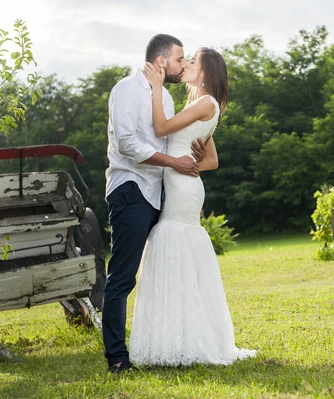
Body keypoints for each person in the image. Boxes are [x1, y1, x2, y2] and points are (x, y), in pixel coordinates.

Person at [128, 47, 256, 367]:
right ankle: (179, 336)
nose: (185, 65)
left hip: (183, 190)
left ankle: (184, 340)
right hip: (182, 184)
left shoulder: (205, 102)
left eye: (193, 61)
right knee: (175, 250)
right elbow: (211, 160)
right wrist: (192, 156)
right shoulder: (199, 104)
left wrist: (157, 85)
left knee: (174, 246)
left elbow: (161, 128)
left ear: (206, 72)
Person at [103, 34, 207, 373]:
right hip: (130, 189)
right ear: (162, 61)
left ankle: (170, 344)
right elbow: (127, 144)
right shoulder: (126, 90)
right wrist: (173, 163)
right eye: (180, 59)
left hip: (158, 193)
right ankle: (117, 358)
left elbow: (174, 144)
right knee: (122, 277)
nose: (183, 64)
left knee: (163, 271)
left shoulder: (167, 100)